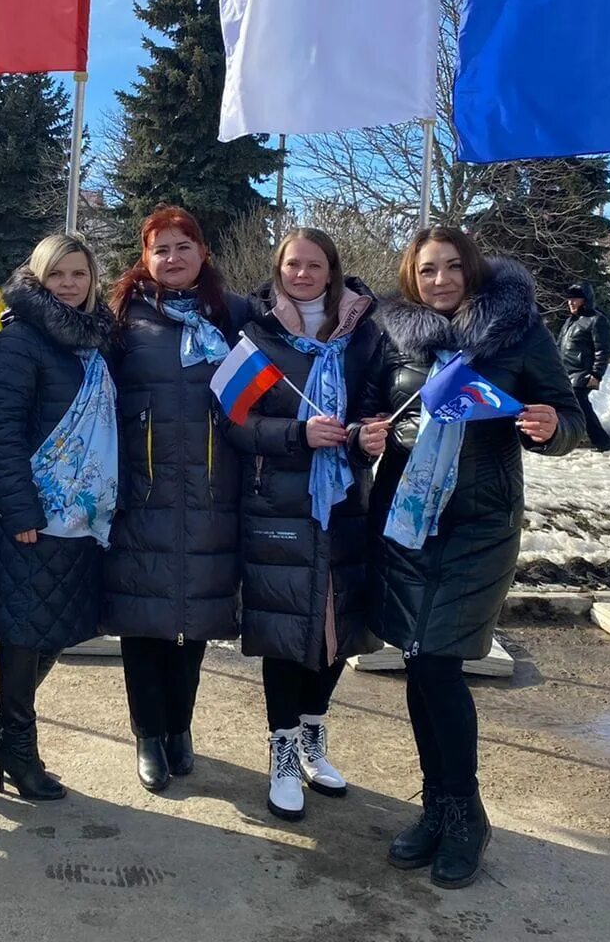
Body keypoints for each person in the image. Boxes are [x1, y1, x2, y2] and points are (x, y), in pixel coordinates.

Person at [363, 227, 584, 890]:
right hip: (407, 520)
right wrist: (368, 432)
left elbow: (568, 417)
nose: (440, 280)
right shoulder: (394, 335)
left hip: (479, 524)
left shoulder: (517, 334)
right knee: (418, 663)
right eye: (427, 270)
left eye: (452, 267)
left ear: (473, 270)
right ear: (412, 277)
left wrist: (551, 428)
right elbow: (375, 410)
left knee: (437, 660)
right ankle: (439, 809)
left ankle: (466, 816)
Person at [221, 228, 384, 822]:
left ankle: (314, 735)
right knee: (287, 629)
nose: (303, 274)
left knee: (337, 624)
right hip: (280, 502)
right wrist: (296, 434)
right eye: (292, 264)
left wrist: (366, 437)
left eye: (314, 265)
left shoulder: (365, 333)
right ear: (278, 268)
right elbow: (236, 421)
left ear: (332, 269)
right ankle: (283, 749)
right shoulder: (259, 331)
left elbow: (374, 405)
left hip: (344, 501)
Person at [102, 206, 248, 793]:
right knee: (145, 619)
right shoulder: (125, 319)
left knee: (196, 617)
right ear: (145, 258)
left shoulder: (233, 316)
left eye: (183, 246)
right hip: (145, 487)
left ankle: (181, 727)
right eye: (160, 249)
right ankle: (148, 732)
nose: (173, 258)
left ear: (203, 252)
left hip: (213, 488)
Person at [0, 234, 117, 801]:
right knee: (24, 631)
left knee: (54, 630)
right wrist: (18, 507)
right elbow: (2, 431)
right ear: (37, 278)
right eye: (57, 274)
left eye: (79, 274)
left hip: (82, 515)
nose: (69, 284)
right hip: (35, 513)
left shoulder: (96, 340)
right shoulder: (21, 341)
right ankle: (18, 744)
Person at [557, 281, 610, 452]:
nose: (571, 303)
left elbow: (603, 350)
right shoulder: (570, 321)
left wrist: (596, 374)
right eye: (569, 299)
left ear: (586, 300)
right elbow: (560, 346)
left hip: (582, 373)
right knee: (571, 406)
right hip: (565, 373)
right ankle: (566, 439)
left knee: (581, 406)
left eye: (576, 299)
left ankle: (602, 442)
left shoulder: (596, 321)